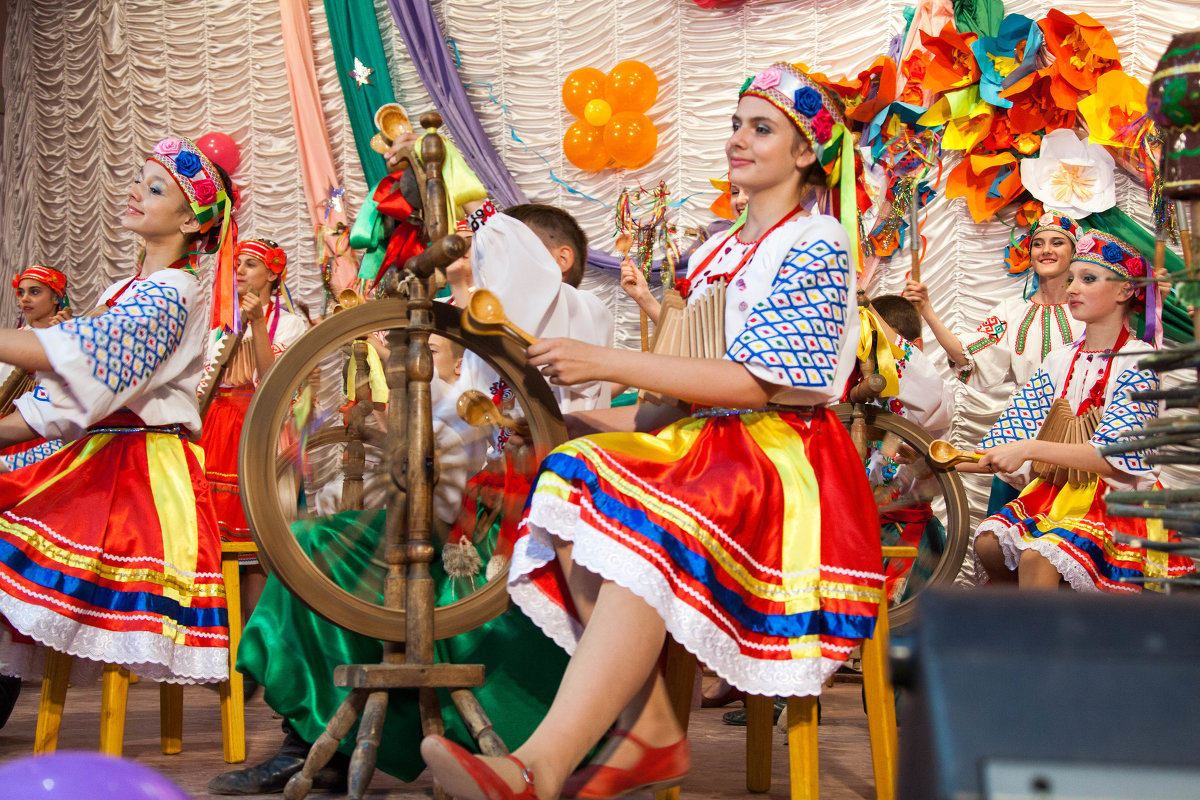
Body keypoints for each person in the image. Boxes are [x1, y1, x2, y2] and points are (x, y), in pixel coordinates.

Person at [419, 62, 884, 800]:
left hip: (786, 463)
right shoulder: (714, 252)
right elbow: (673, 402)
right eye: (736, 123)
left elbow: (758, 383)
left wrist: (604, 359)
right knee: (570, 468)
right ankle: (652, 725)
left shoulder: (817, 241)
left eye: (761, 128)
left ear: (806, 154)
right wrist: (571, 417)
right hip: (710, 449)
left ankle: (543, 767)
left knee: (633, 505)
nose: (738, 139)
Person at [209, 202, 613, 795]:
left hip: (534, 531)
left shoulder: (580, 313)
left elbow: (518, 309)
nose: (486, 262)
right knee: (315, 544)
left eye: (500, 249)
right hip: (464, 523)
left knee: (431, 595)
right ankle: (311, 739)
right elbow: (450, 433)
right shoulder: (483, 332)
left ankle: (501, 750)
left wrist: (466, 248)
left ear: (559, 260)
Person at [0, 136, 234, 690]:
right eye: (139, 180)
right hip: (96, 452)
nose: (134, 191)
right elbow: (64, 403)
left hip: (140, 474)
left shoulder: (174, 291)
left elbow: (89, 354)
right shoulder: (126, 288)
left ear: (187, 222)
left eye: (155, 189)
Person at [966, 231, 1195, 591]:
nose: (1072, 288)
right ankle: (1023, 636)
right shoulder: (1060, 359)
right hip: (1058, 495)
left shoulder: (1139, 361)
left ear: (1125, 291)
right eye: (1072, 278)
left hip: (1118, 500)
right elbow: (1010, 434)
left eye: (1087, 279)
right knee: (989, 545)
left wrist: (1028, 449)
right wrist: (938, 459)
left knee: (1038, 557)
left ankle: (1048, 644)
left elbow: (1113, 456)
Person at [903, 212, 1083, 516]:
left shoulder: (1088, 309)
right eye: (1038, 243)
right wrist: (928, 310)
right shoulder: (1012, 313)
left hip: (1078, 439)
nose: (1046, 250)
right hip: (1023, 440)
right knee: (1004, 546)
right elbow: (967, 354)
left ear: (1074, 253)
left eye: (1057, 243)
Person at [198, 237, 308, 625]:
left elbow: (272, 380)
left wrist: (259, 322)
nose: (240, 270)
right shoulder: (219, 324)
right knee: (214, 549)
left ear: (273, 272)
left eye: (250, 264)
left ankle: (255, 653)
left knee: (255, 551)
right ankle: (222, 650)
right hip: (216, 432)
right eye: (237, 263)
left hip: (261, 432)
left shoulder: (292, 324)